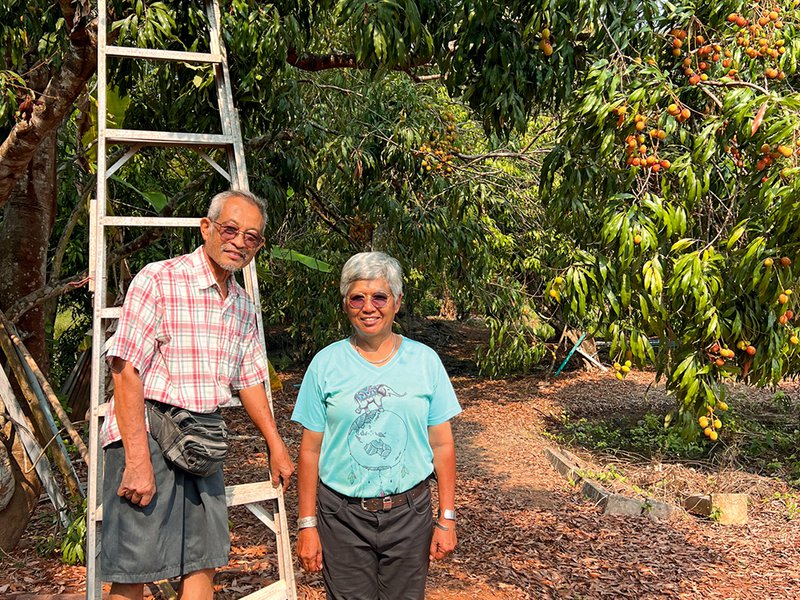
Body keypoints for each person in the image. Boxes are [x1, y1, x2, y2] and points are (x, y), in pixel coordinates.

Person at [100, 190, 295, 600]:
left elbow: (249, 380)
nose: (239, 242)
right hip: (149, 436)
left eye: (251, 237)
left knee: (203, 562)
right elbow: (125, 370)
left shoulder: (242, 305)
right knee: (135, 570)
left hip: (202, 441)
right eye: (230, 229)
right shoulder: (159, 279)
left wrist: (275, 444)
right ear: (206, 228)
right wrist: (136, 460)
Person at [292, 251, 461, 599]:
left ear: (397, 302)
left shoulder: (425, 362)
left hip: (409, 514)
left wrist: (446, 517)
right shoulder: (325, 364)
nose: (368, 307)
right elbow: (310, 451)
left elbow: (442, 444)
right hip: (342, 517)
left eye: (379, 297)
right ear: (345, 305)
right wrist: (307, 524)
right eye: (357, 298)